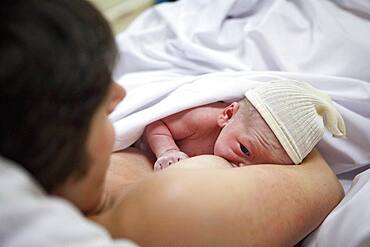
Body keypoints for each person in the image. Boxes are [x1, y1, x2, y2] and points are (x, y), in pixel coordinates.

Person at [0, 0, 344, 246]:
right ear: (53, 133)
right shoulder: (169, 212)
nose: (120, 94)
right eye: (98, 105)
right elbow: (325, 184)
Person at [145, 81, 346, 170]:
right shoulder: (199, 119)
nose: (244, 167)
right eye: (244, 150)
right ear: (227, 115)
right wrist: (167, 150)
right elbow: (156, 121)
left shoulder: (240, 150)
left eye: (263, 167)